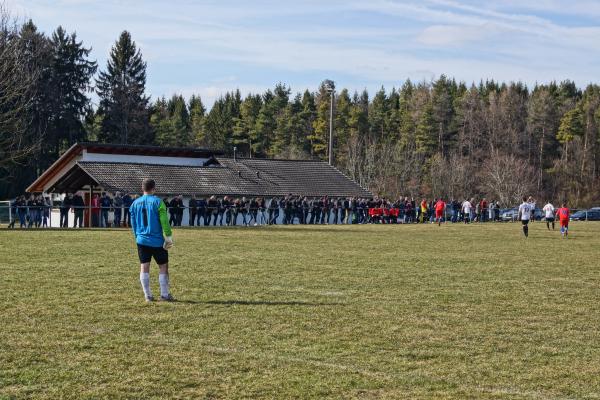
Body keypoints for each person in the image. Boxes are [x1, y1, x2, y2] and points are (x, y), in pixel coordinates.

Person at [130, 178, 174, 302]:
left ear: (142, 188)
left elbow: (133, 223)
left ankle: (147, 295)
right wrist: (168, 236)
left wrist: (136, 236)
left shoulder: (134, 203)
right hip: (157, 240)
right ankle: (164, 295)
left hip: (141, 240)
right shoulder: (158, 202)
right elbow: (164, 221)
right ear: (154, 188)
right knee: (163, 266)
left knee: (144, 266)